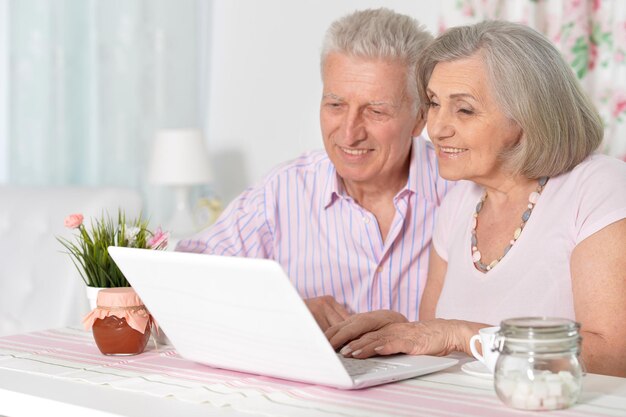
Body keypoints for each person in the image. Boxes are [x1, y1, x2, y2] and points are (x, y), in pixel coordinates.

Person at [325, 20, 626, 377]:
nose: (437, 128)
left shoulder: (598, 186)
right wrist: (399, 332)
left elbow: (614, 354)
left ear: (526, 117)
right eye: (434, 103)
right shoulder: (458, 204)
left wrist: (463, 335)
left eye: (464, 109)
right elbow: (440, 345)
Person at [176, 8, 453, 330]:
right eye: (335, 105)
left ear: (420, 118)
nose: (349, 133)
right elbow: (187, 280)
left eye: (376, 111)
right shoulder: (282, 192)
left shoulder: (463, 192)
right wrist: (284, 311)